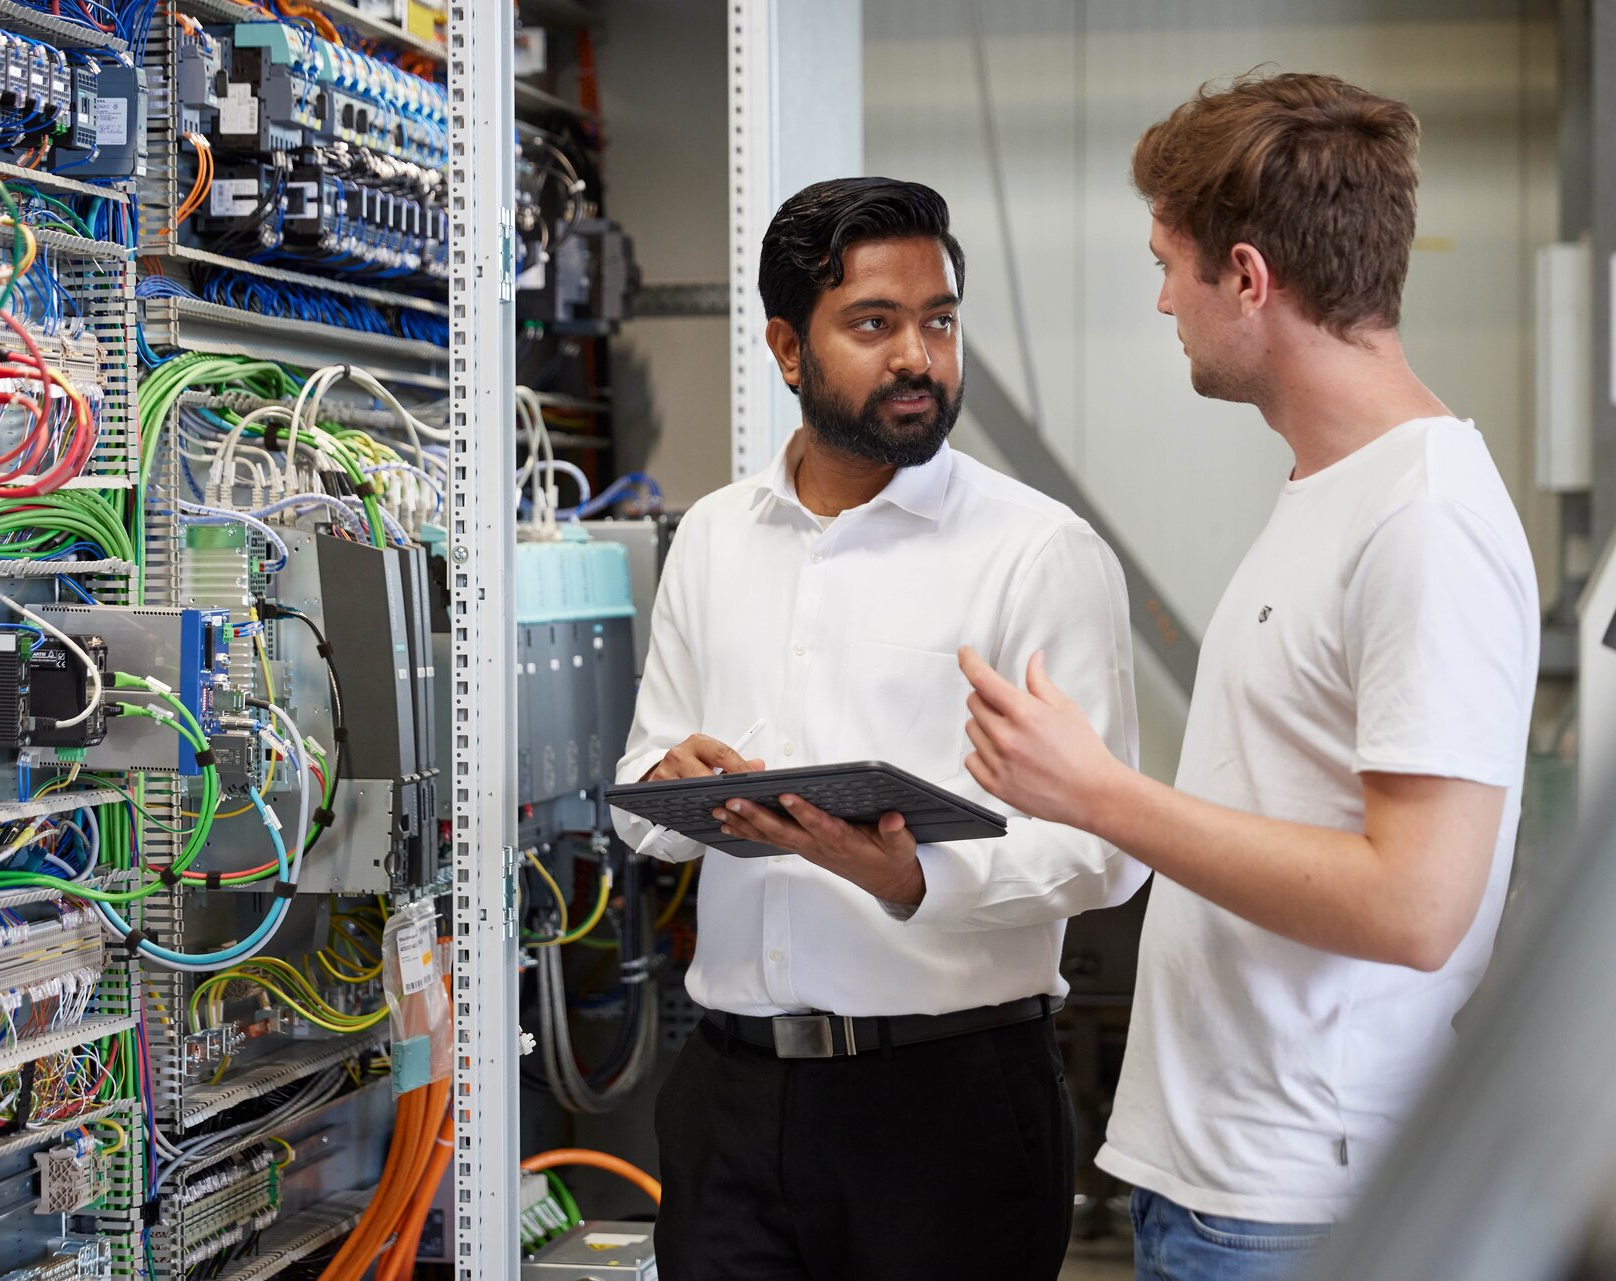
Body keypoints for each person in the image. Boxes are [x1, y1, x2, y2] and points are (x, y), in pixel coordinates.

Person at [959, 72, 1540, 1281]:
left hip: (1296, 1207)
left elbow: (1417, 907)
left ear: (1248, 278)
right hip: (1230, 1185)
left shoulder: (1424, 520)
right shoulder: (1335, 490)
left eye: (1170, 264)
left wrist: (1097, 792)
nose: (1163, 298)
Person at [611, 177, 1146, 1281]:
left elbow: (1107, 848)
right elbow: (641, 792)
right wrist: (676, 782)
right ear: (786, 348)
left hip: (944, 1107)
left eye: (938, 321)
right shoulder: (714, 538)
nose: (919, 356)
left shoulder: (1037, 554)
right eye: (875, 324)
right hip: (732, 1098)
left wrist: (913, 879)